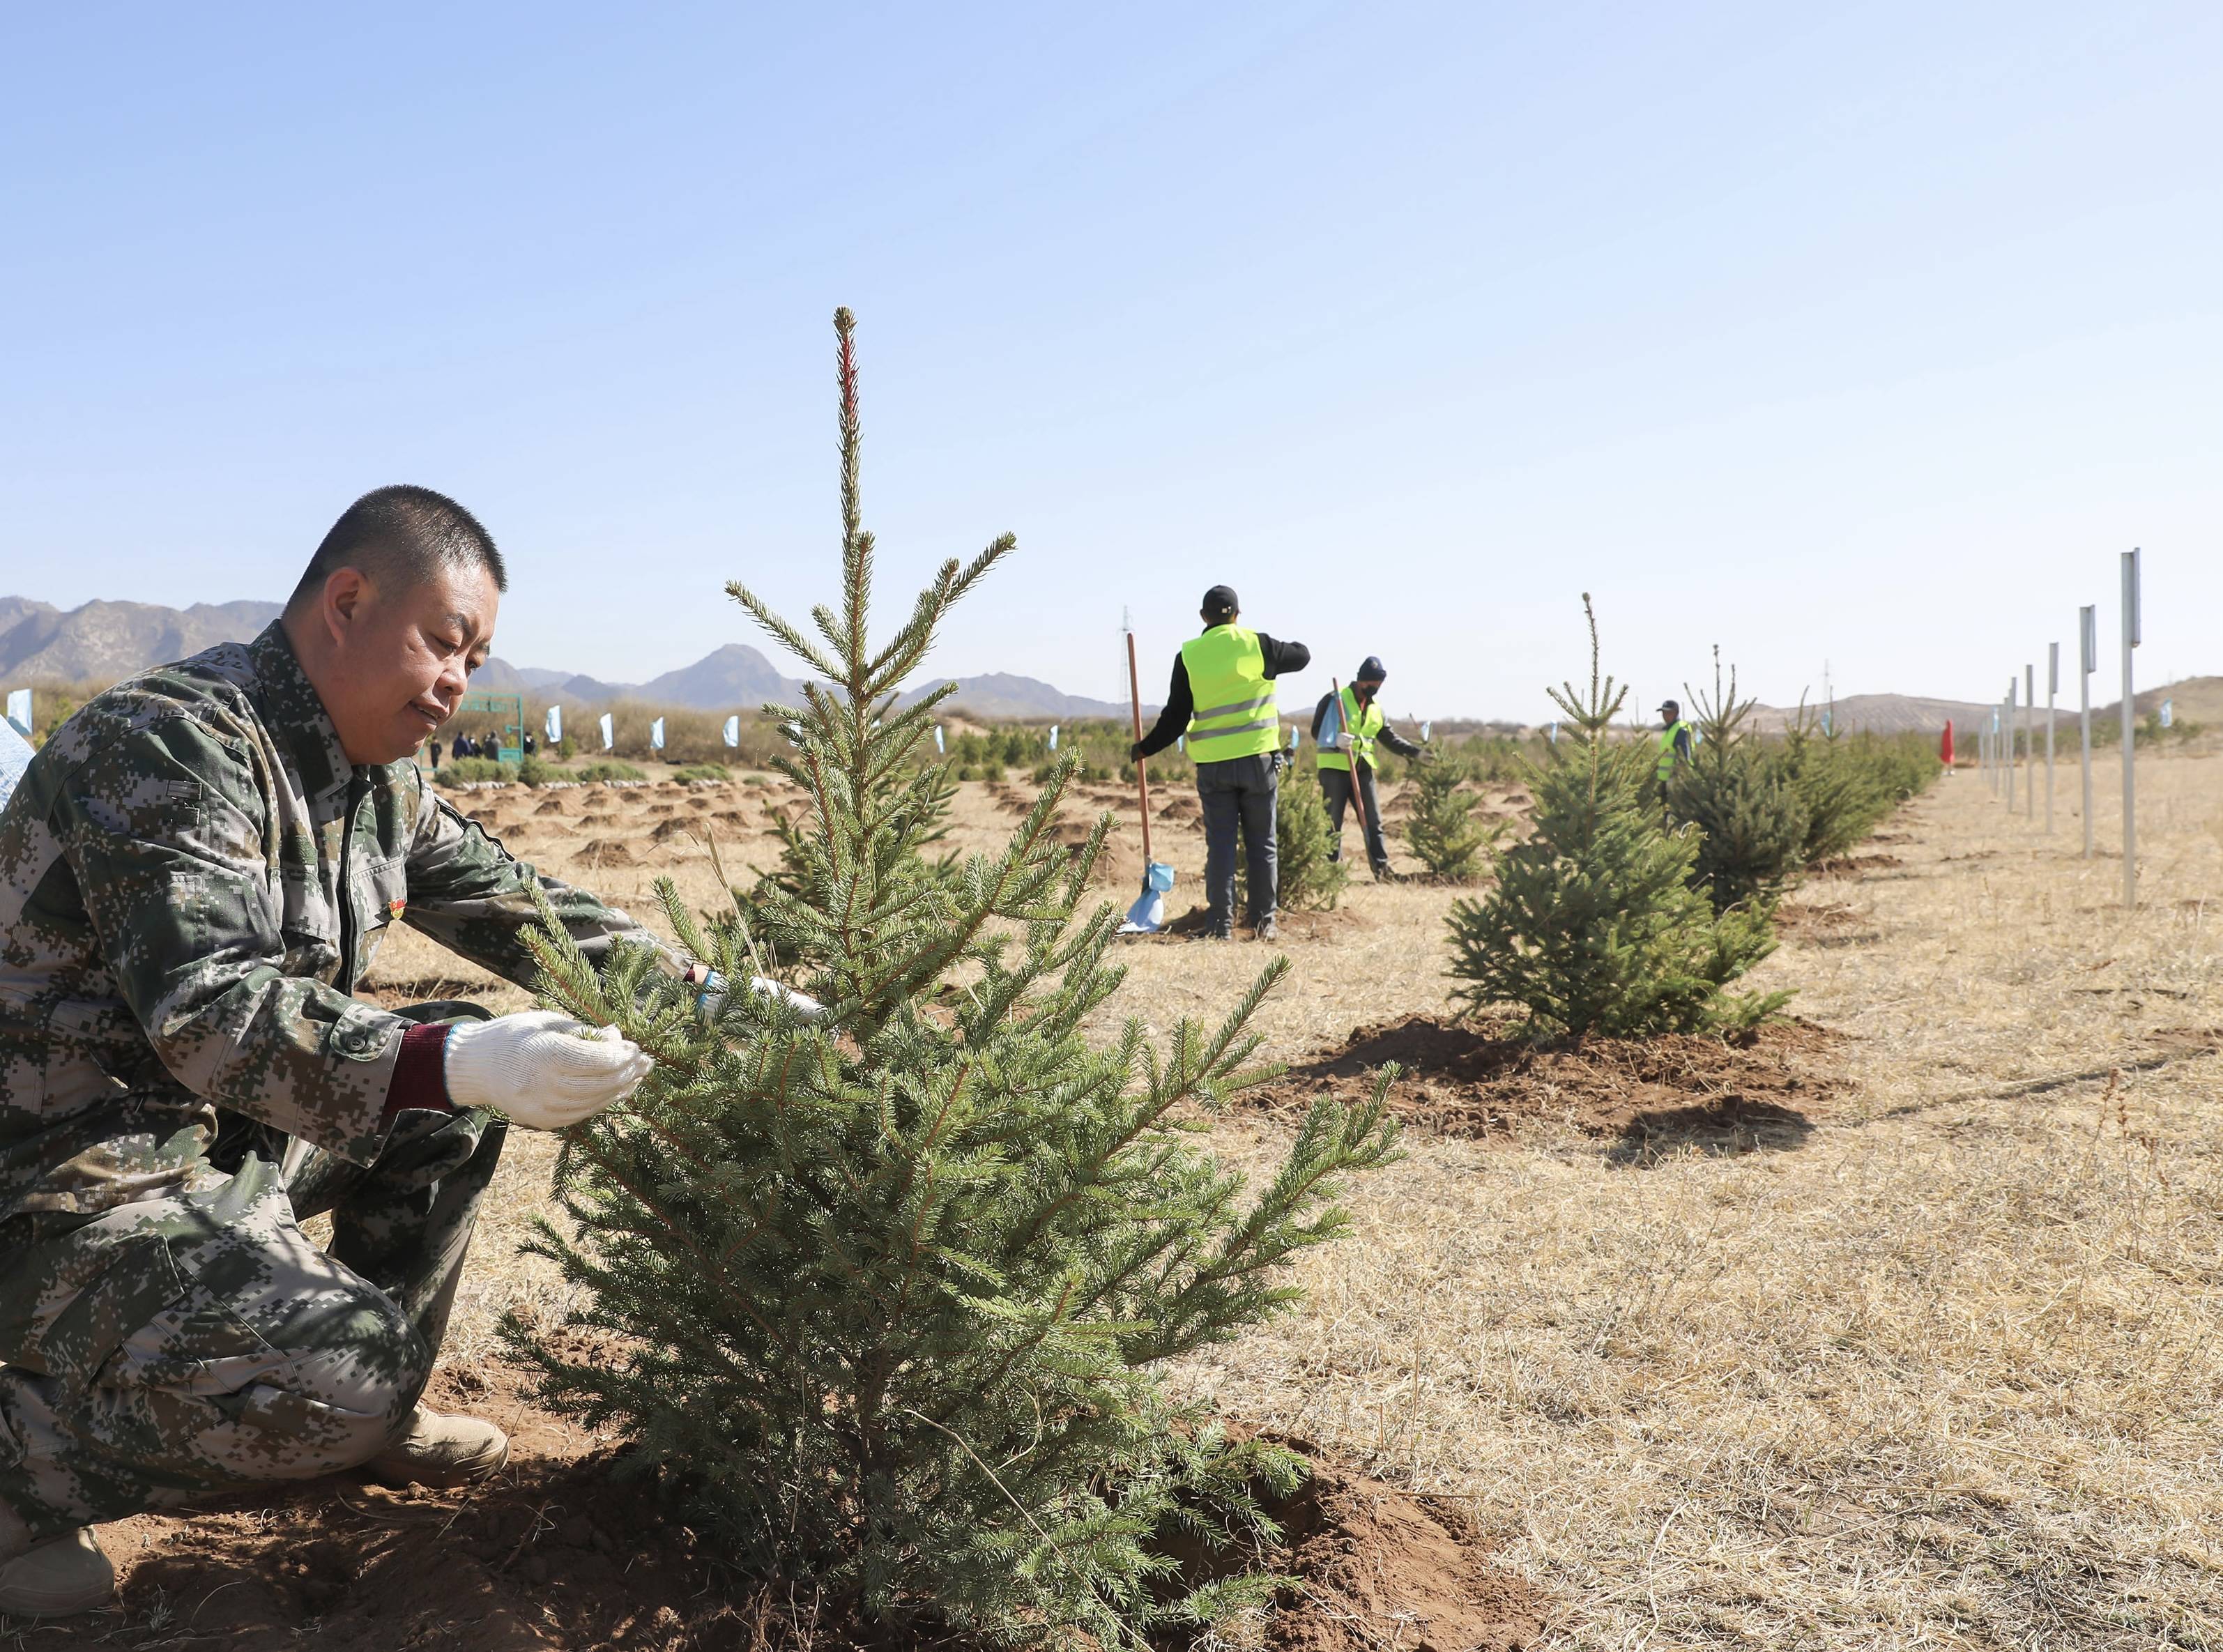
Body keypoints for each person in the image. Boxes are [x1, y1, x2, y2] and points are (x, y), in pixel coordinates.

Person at [0, 485, 768, 1619]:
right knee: (437, 1101)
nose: (461, 680)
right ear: (347, 604)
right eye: (443, 643)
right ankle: (20, 1480)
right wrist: (453, 1062)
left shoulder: (378, 775)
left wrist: (711, 1000)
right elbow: (212, 1016)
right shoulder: (167, 748)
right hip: (67, 1175)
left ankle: (369, 1407)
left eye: (478, 656)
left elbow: (522, 908)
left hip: (219, 1148)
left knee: (446, 1101)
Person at [1131, 586, 1309, 942]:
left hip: (1214, 767)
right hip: (1258, 761)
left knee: (1222, 846)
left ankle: (1220, 925)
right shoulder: (1256, 644)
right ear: (1238, 615)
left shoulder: (1190, 655)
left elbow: (1175, 717)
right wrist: (1268, 650)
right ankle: (1264, 924)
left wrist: (1145, 748)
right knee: (1263, 845)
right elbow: (1302, 656)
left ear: (1204, 617)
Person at [1311, 657, 1426, 878]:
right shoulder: (1335, 699)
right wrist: (1335, 740)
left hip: (1363, 770)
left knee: (1374, 821)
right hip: (1335, 769)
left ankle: (1382, 870)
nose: (1374, 688)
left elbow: (1389, 738)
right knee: (1332, 823)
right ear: (1360, 680)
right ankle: (1331, 872)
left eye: (1378, 684)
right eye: (1370, 684)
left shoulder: (1376, 709)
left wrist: (1414, 753)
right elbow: (1318, 730)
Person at [1656, 699, 1695, 797]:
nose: (1665, 716)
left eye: (1669, 713)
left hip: (1674, 780)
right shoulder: (1670, 730)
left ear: (1676, 713)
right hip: (1665, 779)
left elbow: (1684, 756)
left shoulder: (1680, 730)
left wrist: (1679, 777)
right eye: (1664, 713)